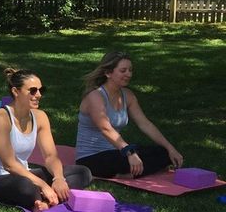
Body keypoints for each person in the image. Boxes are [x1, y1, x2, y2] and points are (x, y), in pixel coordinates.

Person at [0, 69, 92, 210]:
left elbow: (50, 156)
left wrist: (59, 178)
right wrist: (43, 184)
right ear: (15, 91)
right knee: (25, 187)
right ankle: (45, 196)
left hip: (24, 173)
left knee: (82, 172)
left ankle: (43, 201)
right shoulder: (0, 118)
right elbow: (9, 165)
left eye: (40, 90)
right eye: (32, 91)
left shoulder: (40, 116)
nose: (38, 95)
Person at [75, 50, 183, 178]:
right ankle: (128, 173)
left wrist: (170, 148)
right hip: (91, 158)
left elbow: (145, 124)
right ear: (108, 73)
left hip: (116, 151)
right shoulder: (95, 96)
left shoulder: (128, 95)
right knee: (129, 161)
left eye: (130, 70)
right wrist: (129, 152)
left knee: (163, 153)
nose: (128, 74)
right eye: (123, 70)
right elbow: (106, 128)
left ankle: (129, 172)